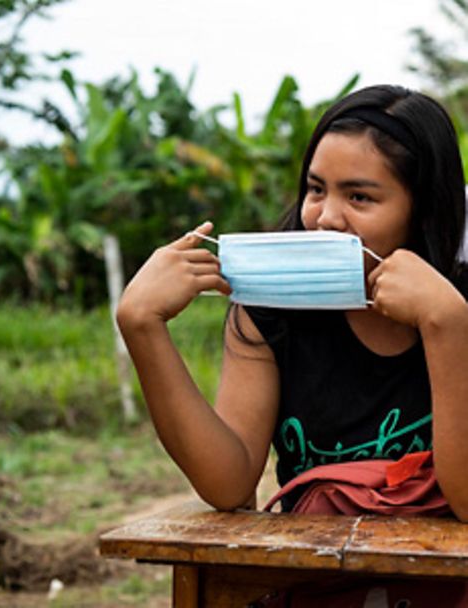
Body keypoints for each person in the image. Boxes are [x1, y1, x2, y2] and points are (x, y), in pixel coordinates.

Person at [116, 84, 468, 522]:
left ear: (424, 210)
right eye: (316, 190)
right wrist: (141, 325)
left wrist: (448, 324)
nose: (324, 218)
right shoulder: (270, 307)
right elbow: (228, 483)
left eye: (360, 197)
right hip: (316, 576)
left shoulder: (458, 307)